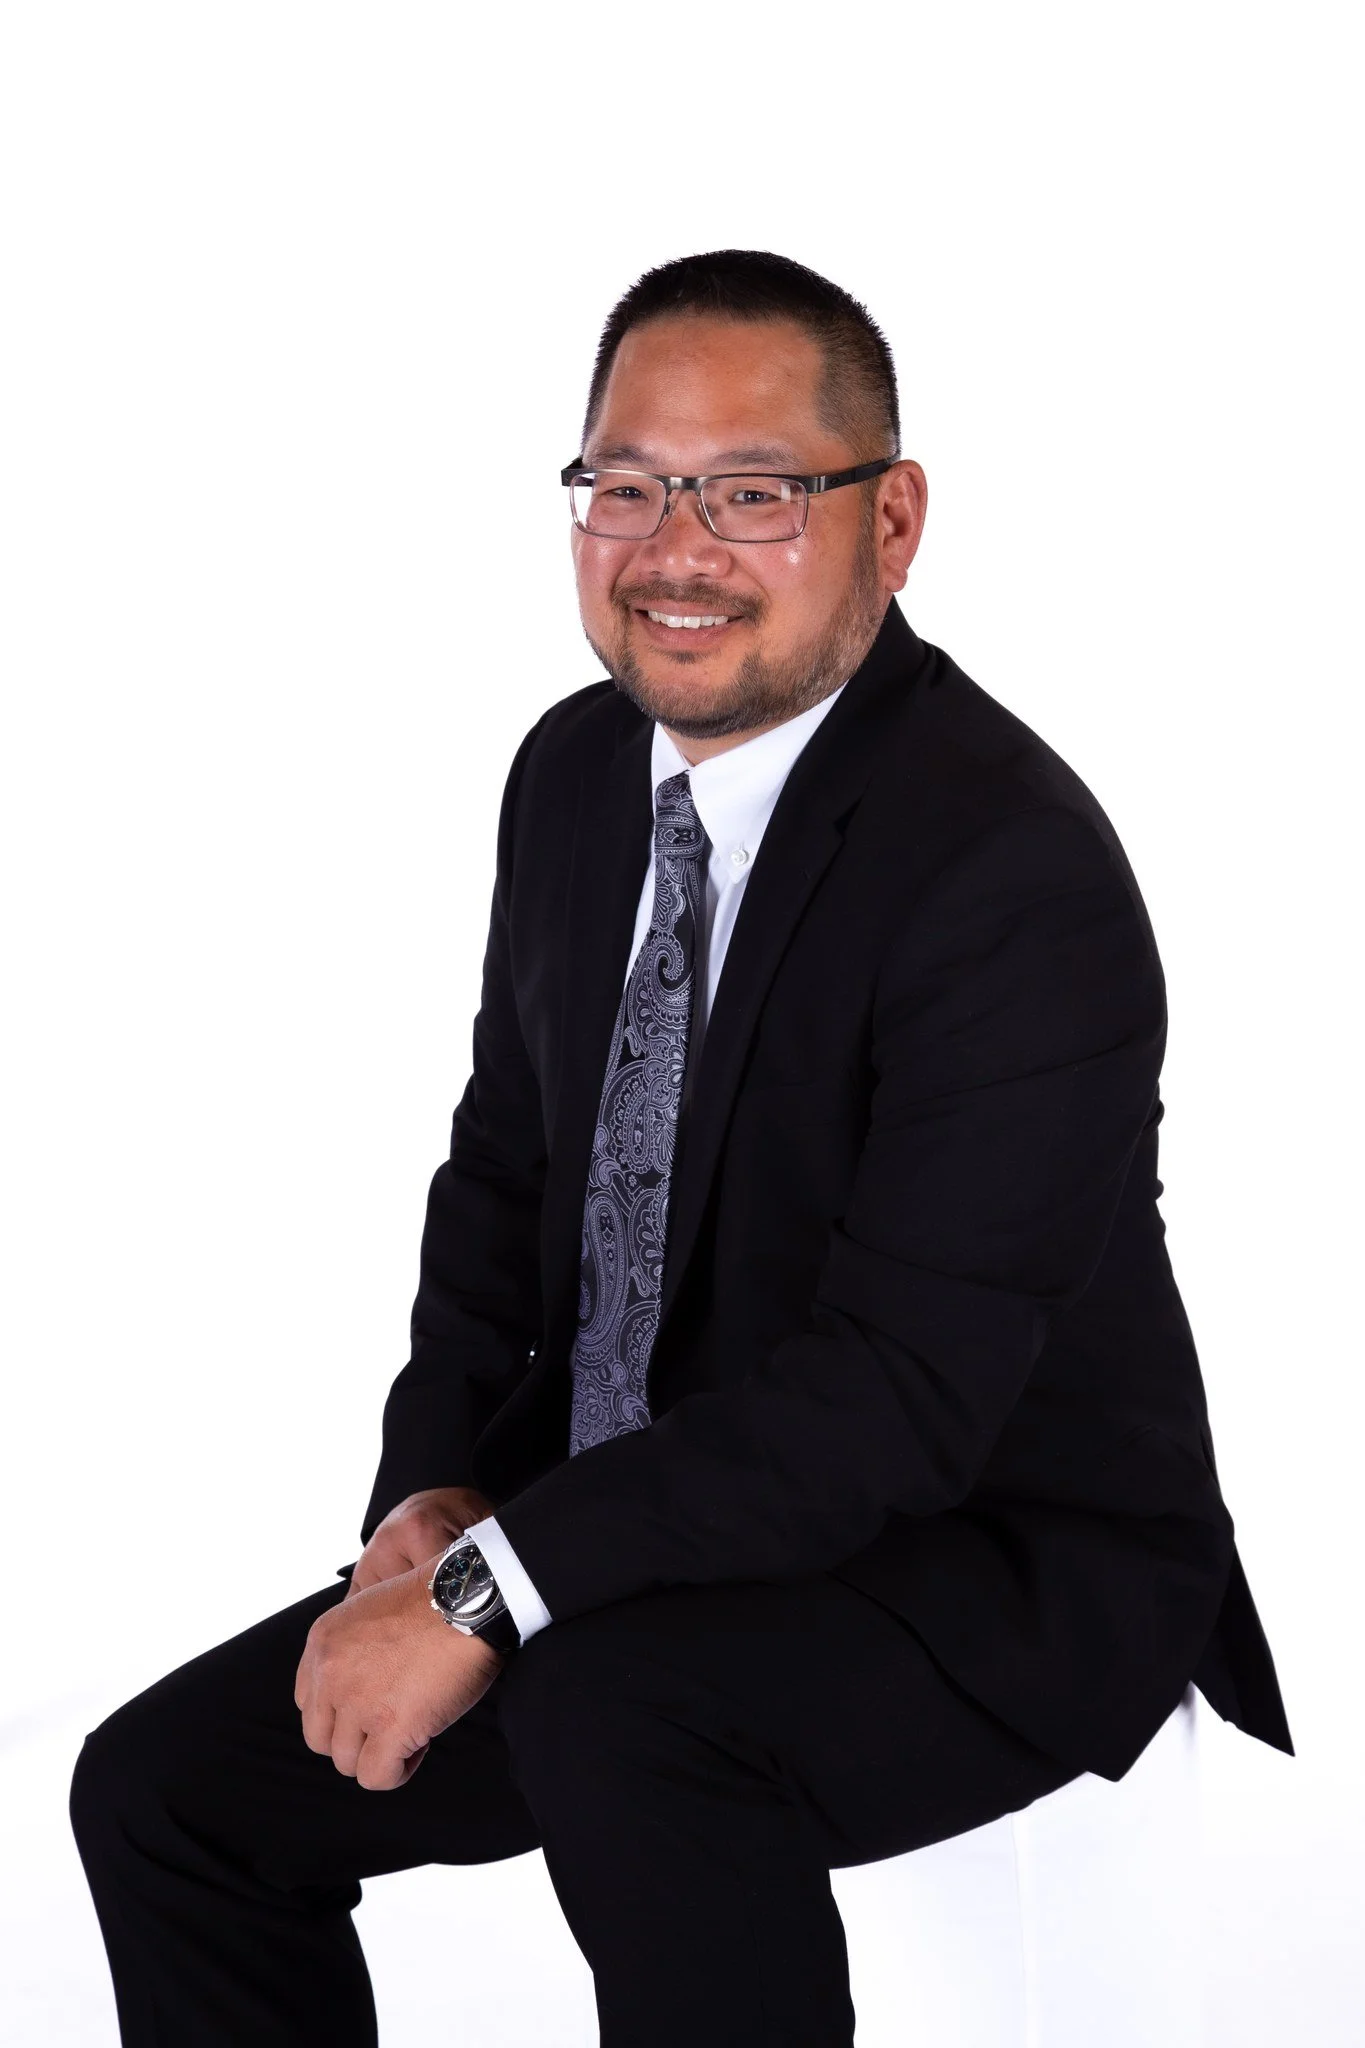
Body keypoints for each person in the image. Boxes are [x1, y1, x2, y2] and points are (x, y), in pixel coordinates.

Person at [69, 248, 1294, 2048]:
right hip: (646, 1517)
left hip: (996, 1556)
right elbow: (502, 1185)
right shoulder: (573, 776)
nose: (675, 548)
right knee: (164, 1792)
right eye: (625, 486)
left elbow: (898, 1398)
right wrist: (426, 1512)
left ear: (895, 520)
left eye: (752, 493)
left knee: (614, 1710)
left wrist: (505, 1591)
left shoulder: (1010, 873)